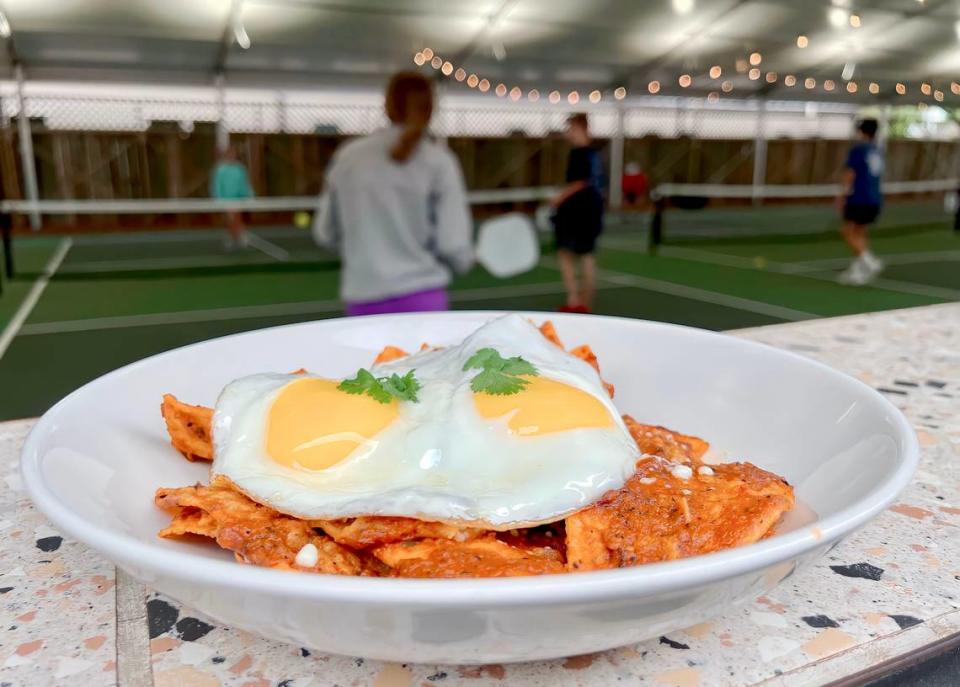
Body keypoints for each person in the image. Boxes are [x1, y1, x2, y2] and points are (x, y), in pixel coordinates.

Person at [313, 71, 473, 316]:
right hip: (424, 300)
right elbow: (453, 244)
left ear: (387, 106)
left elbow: (325, 233)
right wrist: (465, 259)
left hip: (362, 300)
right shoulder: (440, 162)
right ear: (431, 108)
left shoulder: (348, 157)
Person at [552, 113, 604, 313]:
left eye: (571, 128)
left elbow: (580, 182)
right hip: (591, 210)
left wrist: (559, 197)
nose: (568, 133)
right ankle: (583, 303)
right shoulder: (594, 154)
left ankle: (575, 301)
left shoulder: (579, 153)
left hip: (578, 212)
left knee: (567, 254)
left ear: (581, 128)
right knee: (586, 255)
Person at [837, 118, 884, 285]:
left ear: (861, 131)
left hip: (859, 198)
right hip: (874, 198)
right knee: (859, 232)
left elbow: (851, 173)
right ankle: (859, 269)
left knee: (847, 232)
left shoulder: (858, 150)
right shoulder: (876, 150)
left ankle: (870, 262)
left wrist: (843, 195)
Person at [211, 145, 254, 250]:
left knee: (236, 217)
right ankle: (237, 236)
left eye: (233, 153)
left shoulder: (240, 168)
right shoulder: (220, 169)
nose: (232, 155)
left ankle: (235, 237)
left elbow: (245, 183)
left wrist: (250, 195)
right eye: (229, 153)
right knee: (231, 218)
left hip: (238, 199)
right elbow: (217, 184)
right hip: (225, 200)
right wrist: (218, 198)